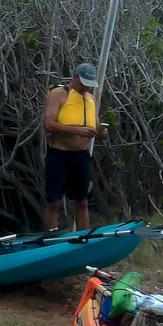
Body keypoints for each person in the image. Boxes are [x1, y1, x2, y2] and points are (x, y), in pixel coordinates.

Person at [42, 62, 108, 231]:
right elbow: (49, 125)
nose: (86, 88)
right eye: (83, 83)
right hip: (59, 154)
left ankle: (83, 237)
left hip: (81, 156)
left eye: (89, 85)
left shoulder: (90, 99)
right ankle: (51, 239)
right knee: (54, 201)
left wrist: (100, 132)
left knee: (82, 201)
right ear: (75, 77)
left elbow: (95, 125)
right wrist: (75, 130)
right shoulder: (59, 94)